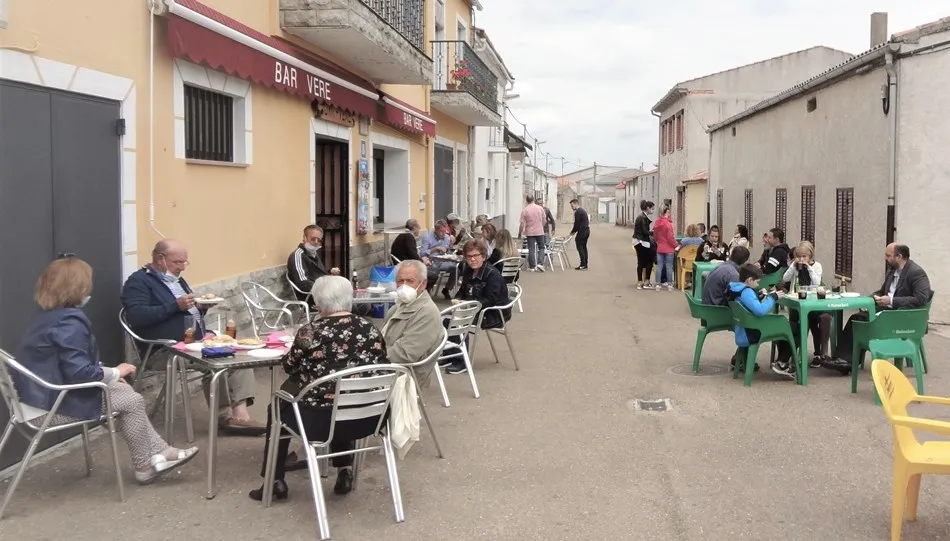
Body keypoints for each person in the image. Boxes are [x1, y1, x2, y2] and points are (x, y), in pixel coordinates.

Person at [16, 257, 198, 484]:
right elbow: (80, 373)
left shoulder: (45, 316)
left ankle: (158, 456)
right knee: (130, 401)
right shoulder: (68, 322)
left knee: (127, 396)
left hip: (35, 400)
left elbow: (68, 363)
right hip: (50, 407)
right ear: (78, 287)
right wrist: (115, 372)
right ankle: (147, 464)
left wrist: (109, 377)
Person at [250, 276, 387, 502]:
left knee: (279, 403)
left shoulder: (310, 331)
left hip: (318, 422)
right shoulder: (370, 328)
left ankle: (274, 480)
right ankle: (344, 470)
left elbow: (289, 366)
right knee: (345, 395)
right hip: (369, 417)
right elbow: (383, 363)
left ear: (319, 302)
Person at [121, 239, 265, 434]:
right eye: (177, 262)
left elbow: (185, 312)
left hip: (194, 343)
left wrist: (200, 308)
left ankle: (240, 415)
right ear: (160, 258)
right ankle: (225, 418)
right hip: (165, 350)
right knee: (220, 359)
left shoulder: (177, 280)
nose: (182, 268)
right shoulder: (139, 282)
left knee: (239, 353)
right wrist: (175, 306)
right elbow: (137, 317)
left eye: (184, 263)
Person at [824, 243, 933, 374]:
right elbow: (882, 291)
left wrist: (891, 300)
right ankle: (844, 360)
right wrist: (868, 300)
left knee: (858, 320)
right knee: (857, 318)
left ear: (899, 256)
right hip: (888, 312)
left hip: (903, 317)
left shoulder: (916, 273)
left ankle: (846, 361)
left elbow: (921, 298)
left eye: (888, 255)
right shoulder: (892, 271)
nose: (885, 258)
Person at [444, 239, 510, 375]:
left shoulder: (492, 274)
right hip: (475, 309)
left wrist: (469, 305)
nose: (472, 259)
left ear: (483, 256)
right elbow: (462, 291)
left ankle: (462, 361)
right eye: (469, 256)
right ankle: (450, 355)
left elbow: (491, 300)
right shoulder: (468, 270)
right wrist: (458, 300)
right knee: (445, 319)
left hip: (494, 313)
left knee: (459, 321)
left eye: (476, 256)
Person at [727, 263, 795, 378]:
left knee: (785, 325)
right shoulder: (746, 292)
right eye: (757, 282)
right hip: (752, 331)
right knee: (791, 327)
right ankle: (782, 362)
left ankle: (781, 361)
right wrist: (772, 297)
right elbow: (760, 311)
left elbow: (748, 305)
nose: (758, 284)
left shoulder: (736, 288)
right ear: (750, 280)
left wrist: (758, 297)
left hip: (743, 328)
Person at [381, 260, 444, 365]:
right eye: (400, 281)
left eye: (410, 281)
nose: (404, 286)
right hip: (388, 363)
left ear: (423, 284)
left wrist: (371, 356)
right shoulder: (400, 305)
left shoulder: (426, 313)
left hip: (402, 373)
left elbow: (405, 354)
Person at [781, 241, 832, 369]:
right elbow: (785, 278)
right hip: (797, 301)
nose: (801, 259)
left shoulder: (817, 266)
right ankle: (794, 354)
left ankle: (818, 353)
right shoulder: (795, 266)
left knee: (817, 320)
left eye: (804, 256)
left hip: (812, 300)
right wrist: (793, 266)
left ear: (811, 256)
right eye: (799, 256)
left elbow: (817, 282)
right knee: (797, 322)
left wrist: (809, 268)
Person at [287, 225, 341, 302]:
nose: (316, 242)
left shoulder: (313, 253)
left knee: (354, 303)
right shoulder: (298, 255)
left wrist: (329, 272)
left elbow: (316, 274)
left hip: (325, 295)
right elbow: (303, 283)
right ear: (304, 238)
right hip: (313, 298)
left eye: (319, 240)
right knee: (353, 307)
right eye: (313, 239)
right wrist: (326, 290)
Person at [420, 219, 457, 299]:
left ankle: (446, 289)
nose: (444, 234)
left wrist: (451, 244)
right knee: (434, 271)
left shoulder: (446, 237)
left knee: (456, 269)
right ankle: (427, 291)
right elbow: (422, 253)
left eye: (445, 231)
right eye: (441, 232)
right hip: (431, 261)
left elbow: (449, 250)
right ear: (436, 230)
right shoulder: (427, 237)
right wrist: (435, 248)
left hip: (444, 261)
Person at [519, 195, 547, 272]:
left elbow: (522, 223)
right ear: (533, 199)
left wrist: (520, 233)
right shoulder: (540, 208)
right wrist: (541, 226)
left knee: (531, 249)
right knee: (541, 247)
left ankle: (532, 266)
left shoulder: (525, 210)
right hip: (539, 231)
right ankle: (540, 263)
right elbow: (544, 220)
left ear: (526, 200)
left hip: (530, 232)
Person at [633, 200, 656, 289]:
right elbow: (644, 231)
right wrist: (652, 233)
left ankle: (640, 281)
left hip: (638, 241)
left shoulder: (641, 217)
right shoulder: (643, 218)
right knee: (648, 261)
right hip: (642, 241)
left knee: (641, 261)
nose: (653, 211)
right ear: (648, 208)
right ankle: (646, 281)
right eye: (652, 209)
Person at [653, 206, 677, 291]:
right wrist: (676, 245)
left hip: (660, 247)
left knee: (659, 266)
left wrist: (658, 241)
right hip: (669, 248)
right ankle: (669, 284)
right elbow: (670, 237)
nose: (670, 214)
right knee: (669, 267)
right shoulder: (668, 224)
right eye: (669, 212)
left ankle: (658, 284)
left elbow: (655, 236)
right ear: (666, 212)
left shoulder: (657, 223)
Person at [569, 199, 591, 270]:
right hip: (586, 230)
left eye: (572, 206)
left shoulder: (578, 212)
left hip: (582, 231)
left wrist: (572, 232)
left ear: (576, 204)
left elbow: (577, 224)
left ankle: (582, 264)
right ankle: (585, 264)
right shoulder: (582, 210)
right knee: (584, 247)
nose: (572, 207)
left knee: (580, 247)